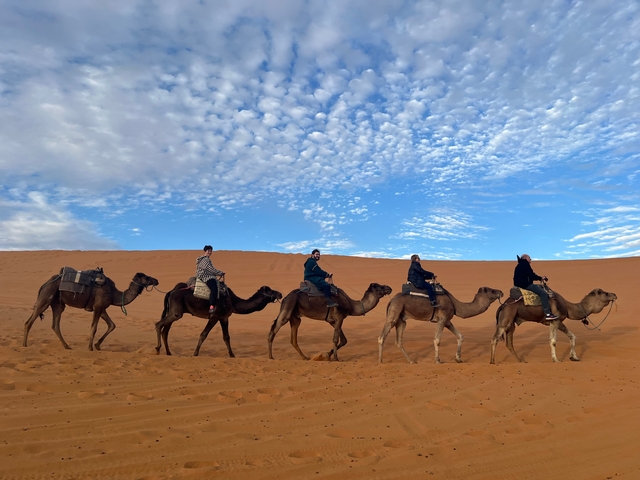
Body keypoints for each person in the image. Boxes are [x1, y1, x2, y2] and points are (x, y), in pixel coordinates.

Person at [513, 254, 558, 320]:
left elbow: (530, 276)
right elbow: (531, 275)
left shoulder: (519, 265)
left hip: (520, 284)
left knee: (539, 288)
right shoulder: (525, 264)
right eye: (529, 257)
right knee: (543, 293)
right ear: (525, 258)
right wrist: (540, 278)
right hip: (525, 285)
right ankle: (548, 314)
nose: (530, 259)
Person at [196, 245, 225, 314]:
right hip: (206, 277)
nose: (210, 252)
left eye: (211, 251)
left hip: (207, 275)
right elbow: (210, 269)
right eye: (208, 251)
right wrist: (220, 273)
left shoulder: (204, 259)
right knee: (214, 289)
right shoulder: (205, 260)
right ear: (205, 251)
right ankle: (211, 306)